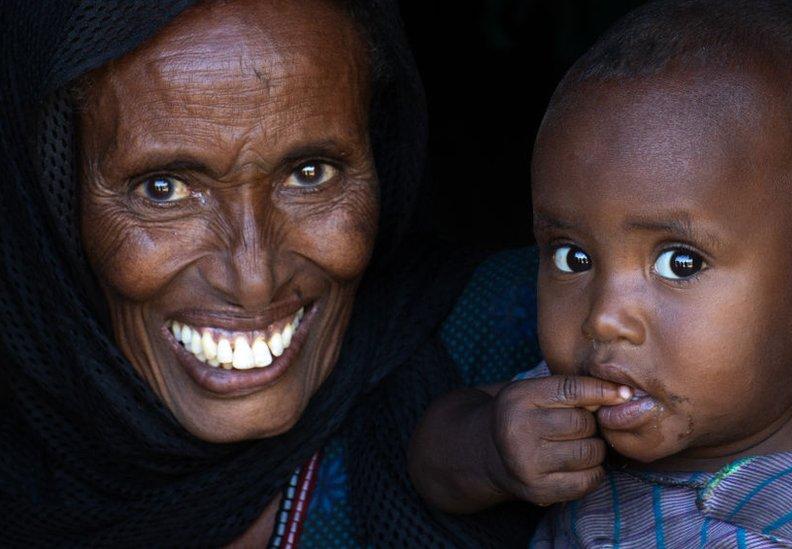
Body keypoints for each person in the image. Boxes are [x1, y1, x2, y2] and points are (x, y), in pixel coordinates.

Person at [0, 0, 543, 545]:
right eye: (162, 189)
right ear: (50, 203)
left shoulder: (533, 336)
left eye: (311, 174)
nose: (254, 279)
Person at [408, 0, 792, 546]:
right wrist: (493, 450)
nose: (605, 317)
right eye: (573, 257)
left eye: (679, 263)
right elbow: (432, 458)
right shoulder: (608, 396)